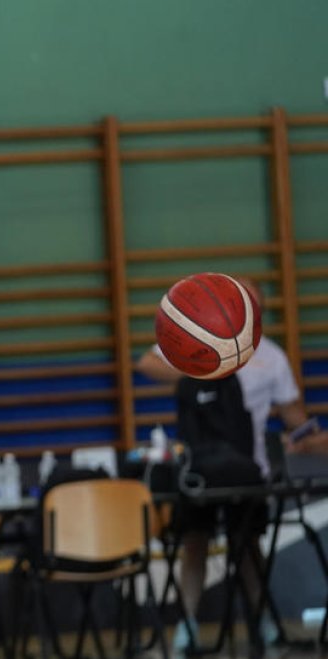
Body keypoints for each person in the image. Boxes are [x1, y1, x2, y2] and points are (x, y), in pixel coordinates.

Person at [137, 277, 311, 654]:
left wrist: (311, 437)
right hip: (200, 471)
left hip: (251, 471)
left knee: (247, 547)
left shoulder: (273, 357)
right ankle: (187, 626)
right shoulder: (194, 335)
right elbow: (147, 361)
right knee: (194, 545)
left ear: (256, 312)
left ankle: (263, 622)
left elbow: (296, 417)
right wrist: (199, 361)